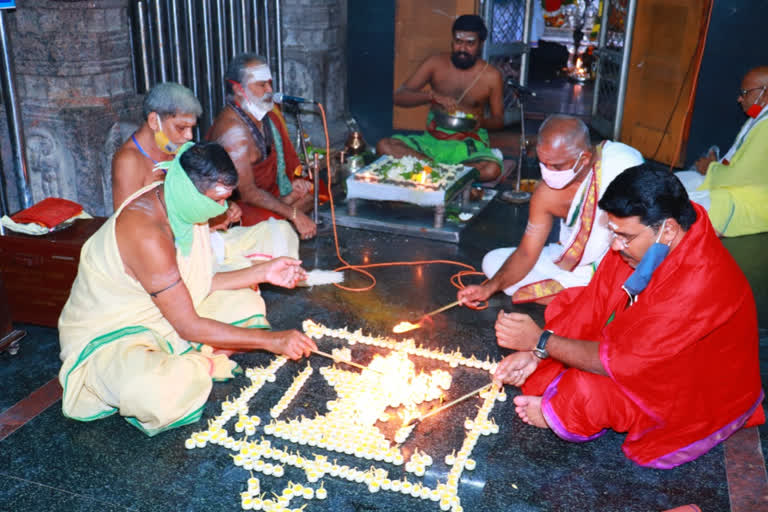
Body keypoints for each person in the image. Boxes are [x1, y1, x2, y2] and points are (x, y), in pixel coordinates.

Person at [492, 166, 764, 468]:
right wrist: (536, 355)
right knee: (569, 304)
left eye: (624, 236)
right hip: (648, 347)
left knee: (583, 393)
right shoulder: (650, 240)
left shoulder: (701, 280)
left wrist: (542, 340)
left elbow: (622, 363)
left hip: (698, 385)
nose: (614, 245)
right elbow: (594, 304)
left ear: (669, 229)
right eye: (613, 232)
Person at [58, 142, 317, 436]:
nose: (222, 209)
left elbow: (197, 283)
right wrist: (272, 341)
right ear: (191, 191)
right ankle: (196, 362)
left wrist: (264, 272)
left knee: (245, 305)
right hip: (113, 337)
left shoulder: (179, 205)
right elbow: (188, 324)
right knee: (156, 392)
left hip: (166, 315)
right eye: (217, 201)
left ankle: (192, 360)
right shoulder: (146, 233)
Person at [458, 114, 643, 306]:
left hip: (617, 264)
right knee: (492, 261)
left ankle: (595, 297)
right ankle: (591, 299)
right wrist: (488, 288)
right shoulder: (545, 193)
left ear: (585, 158)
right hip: (571, 263)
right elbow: (527, 253)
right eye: (543, 163)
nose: (547, 172)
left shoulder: (620, 166)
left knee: (624, 278)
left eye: (556, 166)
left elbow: (641, 236)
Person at [375, 14, 504, 182]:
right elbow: (399, 97)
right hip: (432, 142)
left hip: (468, 145)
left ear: (480, 44)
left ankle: (431, 170)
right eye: (458, 41)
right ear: (452, 41)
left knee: (491, 169)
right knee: (384, 146)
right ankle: (447, 173)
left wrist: (483, 123)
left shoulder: (491, 76)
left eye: (470, 43)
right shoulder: (435, 63)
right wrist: (430, 96)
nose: (462, 49)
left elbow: (499, 119)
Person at [207, 53, 317, 240]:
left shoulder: (265, 115)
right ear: (239, 89)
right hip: (238, 205)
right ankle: (277, 224)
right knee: (281, 219)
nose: (270, 90)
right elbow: (248, 193)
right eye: (261, 85)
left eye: (269, 83)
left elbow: (278, 165)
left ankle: (281, 217)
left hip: (266, 193)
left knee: (311, 192)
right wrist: (294, 214)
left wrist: (291, 186)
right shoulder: (233, 131)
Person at [676, 66, 768, 237]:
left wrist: (710, 168)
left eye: (745, 92)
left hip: (750, 202)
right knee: (675, 183)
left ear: (765, 92)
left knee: (674, 209)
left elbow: (741, 177)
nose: (740, 98)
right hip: (732, 186)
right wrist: (715, 165)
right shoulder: (759, 120)